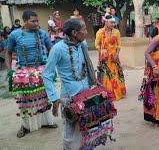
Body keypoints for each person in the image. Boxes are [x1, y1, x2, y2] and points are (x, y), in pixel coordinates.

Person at [43, 18, 116, 149]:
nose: (86, 32)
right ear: (75, 33)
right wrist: (54, 98)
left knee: (87, 127)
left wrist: (95, 83)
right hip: (69, 97)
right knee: (70, 131)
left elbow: (86, 68)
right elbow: (47, 75)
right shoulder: (57, 49)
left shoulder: (83, 45)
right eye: (84, 29)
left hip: (86, 95)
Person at [5, 10, 57, 138]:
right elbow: (8, 52)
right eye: (33, 21)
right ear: (24, 21)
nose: (36, 23)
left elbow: (52, 50)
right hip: (23, 73)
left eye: (37, 21)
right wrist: (10, 71)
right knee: (25, 100)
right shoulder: (14, 34)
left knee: (43, 98)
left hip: (40, 71)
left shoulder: (42, 33)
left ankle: (45, 122)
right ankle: (25, 126)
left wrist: (49, 67)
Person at [95, 15, 126, 101]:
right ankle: (109, 94)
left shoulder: (116, 32)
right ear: (106, 22)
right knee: (107, 75)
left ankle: (118, 92)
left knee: (117, 73)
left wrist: (116, 54)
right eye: (111, 22)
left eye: (114, 22)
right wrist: (102, 51)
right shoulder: (100, 32)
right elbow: (97, 44)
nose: (113, 24)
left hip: (114, 57)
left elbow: (119, 44)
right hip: (105, 58)